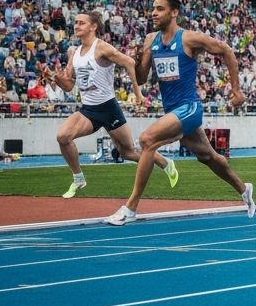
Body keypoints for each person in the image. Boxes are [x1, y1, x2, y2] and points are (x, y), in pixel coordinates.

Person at [105, 0, 254, 226]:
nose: (153, 13)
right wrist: (139, 58)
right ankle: (244, 189)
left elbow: (226, 50)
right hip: (172, 110)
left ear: (174, 12)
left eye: (160, 9)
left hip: (189, 108)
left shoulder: (189, 39)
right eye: (153, 8)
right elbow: (143, 78)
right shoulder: (150, 41)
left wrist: (236, 90)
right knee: (208, 156)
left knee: (147, 140)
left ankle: (130, 208)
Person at [42, 11, 175, 199]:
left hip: (108, 107)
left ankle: (165, 163)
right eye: (76, 22)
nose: (76, 25)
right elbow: (69, 84)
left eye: (81, 23)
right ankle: (78, 178)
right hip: (88, 110)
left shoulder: (102, 48)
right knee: (63, 136)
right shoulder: (73, 52)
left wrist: (138, 94)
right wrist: (53, 77)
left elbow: (129, 62)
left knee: (128, 152)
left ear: (93, 27)